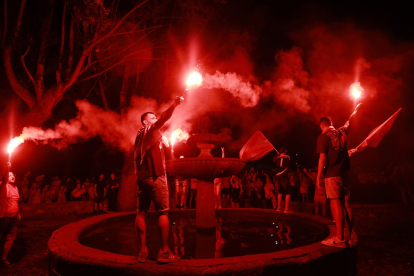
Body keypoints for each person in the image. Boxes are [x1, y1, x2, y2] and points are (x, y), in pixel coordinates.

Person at [134, 96, 183, 263]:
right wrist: (175, 104)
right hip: (155, 178)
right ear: (145, 122)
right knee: (163, 212)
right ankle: (164, 252)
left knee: (141, 212)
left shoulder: (141, 136)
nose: (155, 119)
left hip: (141, 180)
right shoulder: (149, 130)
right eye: (152, 118)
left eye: (155, 118)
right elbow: (164, 117)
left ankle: (142, 251)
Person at [316, 103, 361, 247]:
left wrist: (318, 178)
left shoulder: (322, 137)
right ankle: (349, 235)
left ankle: (340, 237)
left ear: (322, 126)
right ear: (331, 124)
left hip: (332, 175)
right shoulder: (341, 131)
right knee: (346, 204)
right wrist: (356, 110)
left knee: (335, 204)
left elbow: (322, 158)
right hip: (344, 175)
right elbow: (350, 121)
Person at [0, 163, 21, 265]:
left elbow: (15, 201)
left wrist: (18, 212)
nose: (12, 176)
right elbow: (3, 181)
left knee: (11, 237)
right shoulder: (3, 186)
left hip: (13, 217)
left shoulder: (15, 188)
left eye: (13, 175)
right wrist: (7, 168)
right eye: (9, 175)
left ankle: (3, 259)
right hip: (3, 217)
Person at [274, 147, 293, 213]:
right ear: (285, 151)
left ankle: (279, 207)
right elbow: (288, 159)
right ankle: (286, 208)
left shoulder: (277, 157)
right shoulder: (287, 157)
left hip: (278, 176)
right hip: (284, 176)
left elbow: (274, 160)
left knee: (280, 192)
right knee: (288, 192)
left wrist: (278, 155)